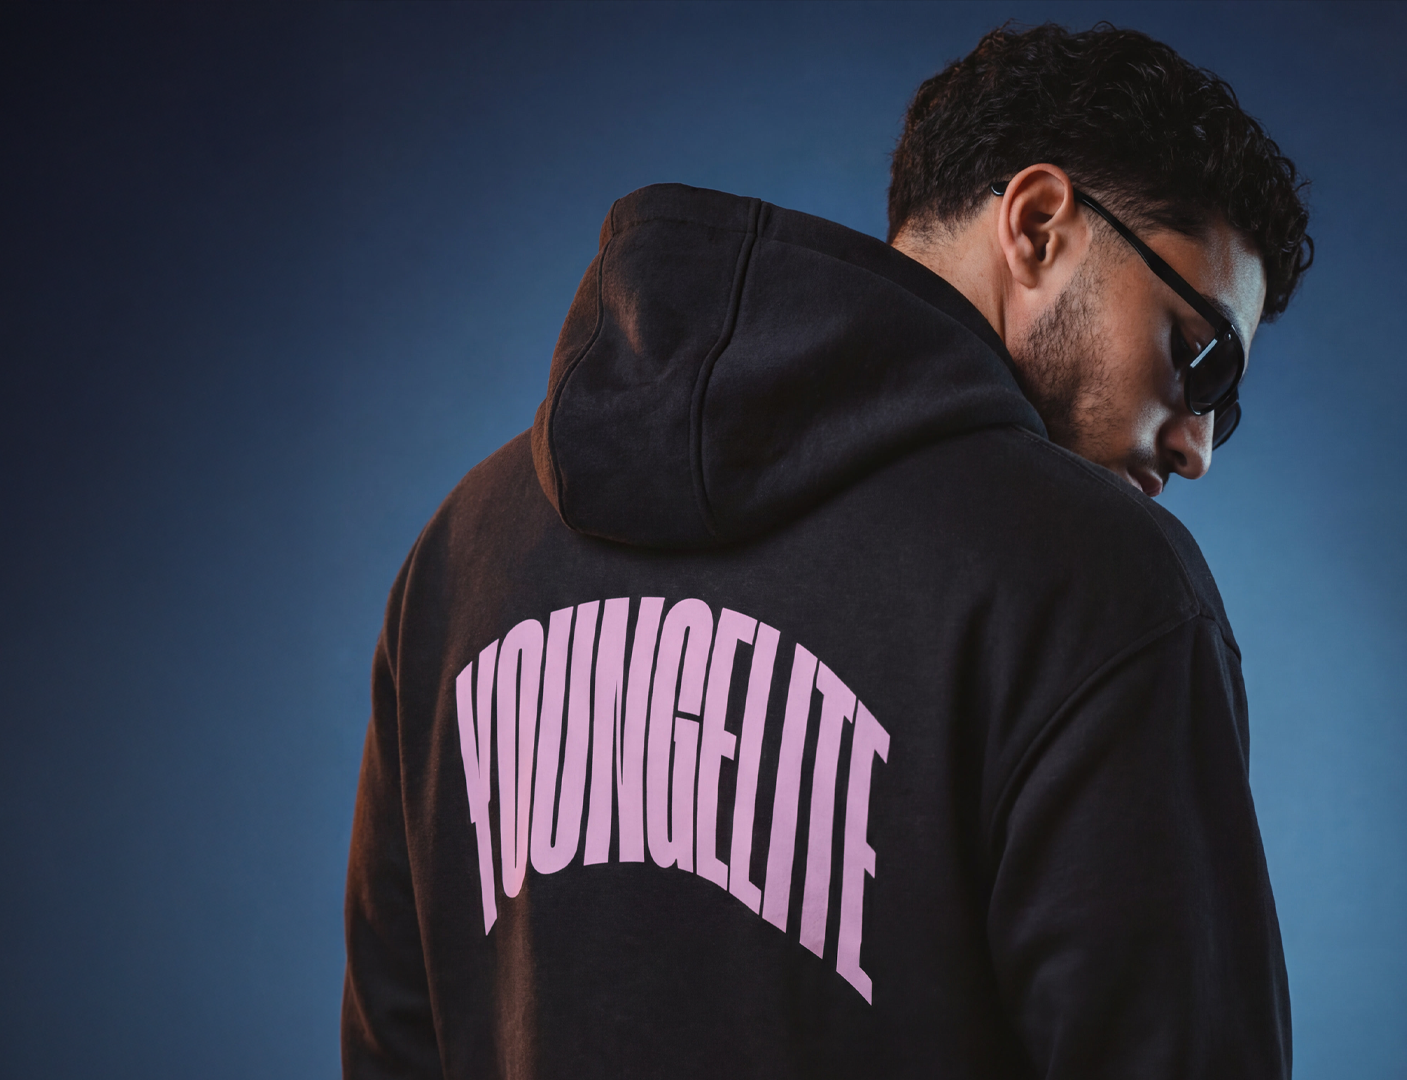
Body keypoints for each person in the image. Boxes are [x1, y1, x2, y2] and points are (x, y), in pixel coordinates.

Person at [341, 22, 1311, 1079]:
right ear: (1039, 226)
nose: (1198, 445)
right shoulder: (1104, 584)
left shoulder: (466, 549)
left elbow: (395, 1046)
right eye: (1204, 360)